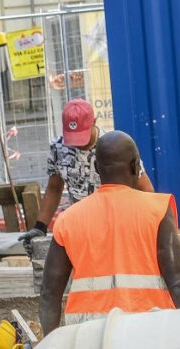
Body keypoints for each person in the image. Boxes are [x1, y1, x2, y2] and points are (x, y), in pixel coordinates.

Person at [39, 131, 180, 333]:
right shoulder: (157, 210)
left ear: (97, 168)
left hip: (88, 335)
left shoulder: (68, 220)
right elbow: (179, 282)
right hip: (150, 331)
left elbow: (49, 293)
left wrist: (51, 346)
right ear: (136, 166)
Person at [18, 99, 154, 249]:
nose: (78, 144)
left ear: (94, 122)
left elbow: (145, 190)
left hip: (118, 228)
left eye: (82, 136)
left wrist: (147, 228)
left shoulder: (116, 146)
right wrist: (40, 227)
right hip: (83, 229)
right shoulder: (58, 148)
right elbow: (54, 189)